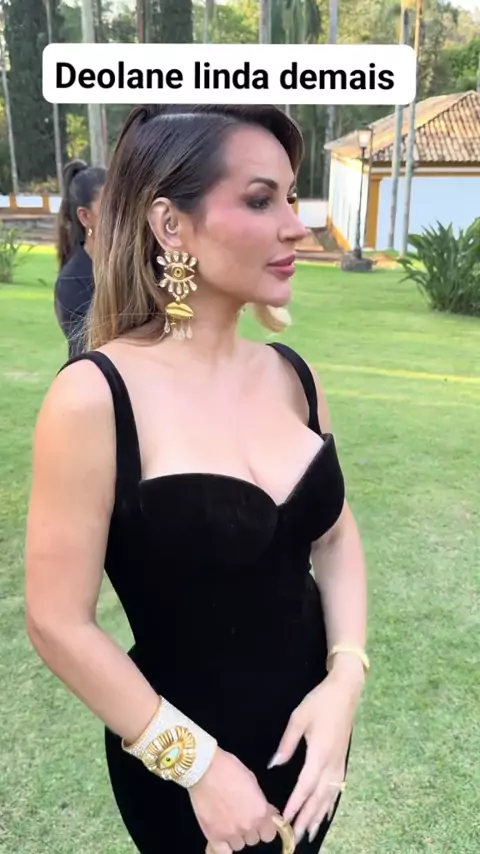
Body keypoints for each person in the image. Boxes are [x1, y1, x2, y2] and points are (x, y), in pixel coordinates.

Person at [25, 104, 369, 854]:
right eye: (261, 200)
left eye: (290, 197)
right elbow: (56, 620)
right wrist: (198, 767)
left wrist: (344, 680)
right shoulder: (95, 396)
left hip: (311, 749)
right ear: (170, 225)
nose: (296, 227)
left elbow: (335, 537)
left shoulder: (294, 377)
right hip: (186, 779)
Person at [54, 159, 107, 357]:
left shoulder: (138, 266)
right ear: (85, 216)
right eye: (110, 208)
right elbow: (92, 349)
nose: (122, 215)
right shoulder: (72, 282)